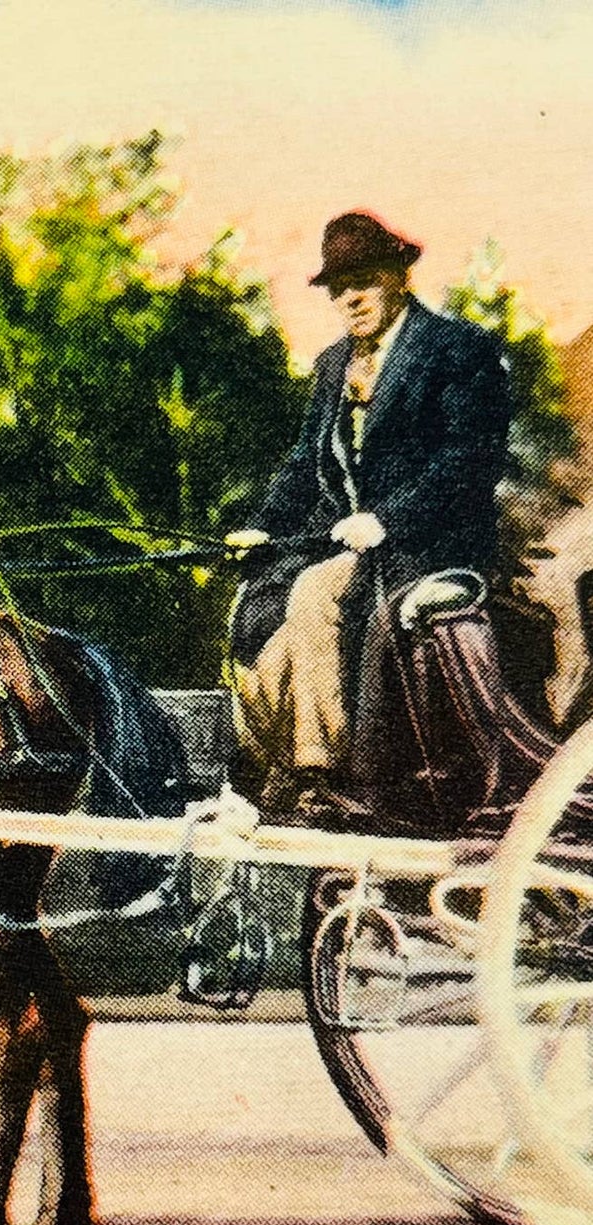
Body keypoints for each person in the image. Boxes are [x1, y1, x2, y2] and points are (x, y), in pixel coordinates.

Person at [227, 211, 512, 818]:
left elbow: (470, 459)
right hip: (352, 545)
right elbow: (306, 462)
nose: (351, 297)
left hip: (432, 542)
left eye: (366, 280)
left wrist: (387, 520)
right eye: (339, 287)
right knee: (259, 626)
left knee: (314, 594)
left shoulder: (458, 350)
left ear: (399, 279)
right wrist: (265, 527)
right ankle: (272, 768)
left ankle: (324, 774)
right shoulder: (334, 364)